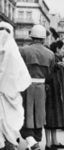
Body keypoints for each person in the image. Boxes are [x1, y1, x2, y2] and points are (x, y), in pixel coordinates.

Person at [19, 24, 55, 150]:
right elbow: (50, 74)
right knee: (39, 114)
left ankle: (30, 140)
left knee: (26, 112)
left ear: (31, 37)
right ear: (44, 39)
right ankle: (36, 140)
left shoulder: (23, 50)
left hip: (26, 86)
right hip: (41, 86)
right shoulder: (50, 54)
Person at [0, 21, 31, 150]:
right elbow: (24, 78)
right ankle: (10, 143)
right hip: (10, 94)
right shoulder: (14, 52)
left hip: (7, 94)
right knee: (11, 121)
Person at [44, 40, 64, 150]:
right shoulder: (50, 57)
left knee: (54, 118)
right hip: (50, 92)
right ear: (57, 49)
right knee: (49, 117)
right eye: (63, 48)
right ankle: (48, 143)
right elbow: (47, 73)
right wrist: (55, 66)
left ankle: (55, 141)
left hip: (57, 93)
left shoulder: (58, 59)